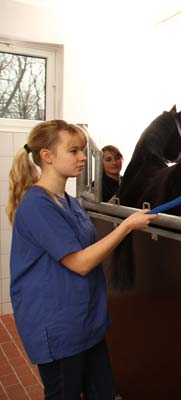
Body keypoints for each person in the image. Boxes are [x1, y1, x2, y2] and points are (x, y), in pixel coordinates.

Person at [6, 120, 158, 399]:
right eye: (74, 151)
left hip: (86, 322)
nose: (82, 158)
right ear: (47, 156)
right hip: (59, 326)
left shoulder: (68, 200)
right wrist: (126, 226)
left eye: (82, 150)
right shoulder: (36, 205)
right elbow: (80, 262)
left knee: (103, 392)